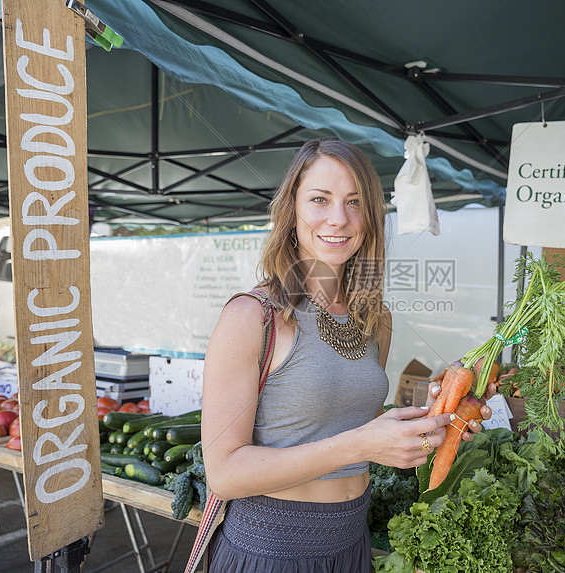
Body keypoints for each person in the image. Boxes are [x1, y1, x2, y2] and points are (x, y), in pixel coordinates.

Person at [201, 139, 493, 572]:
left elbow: (365, 433)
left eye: (354, 202)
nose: (339, 219)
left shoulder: (376, 320)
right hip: (272, 552)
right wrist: (360, 443)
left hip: (352, 547)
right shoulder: (253, 316)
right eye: (320, 199)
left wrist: (433, 422)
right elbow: (224, 473)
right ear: (291, 211)